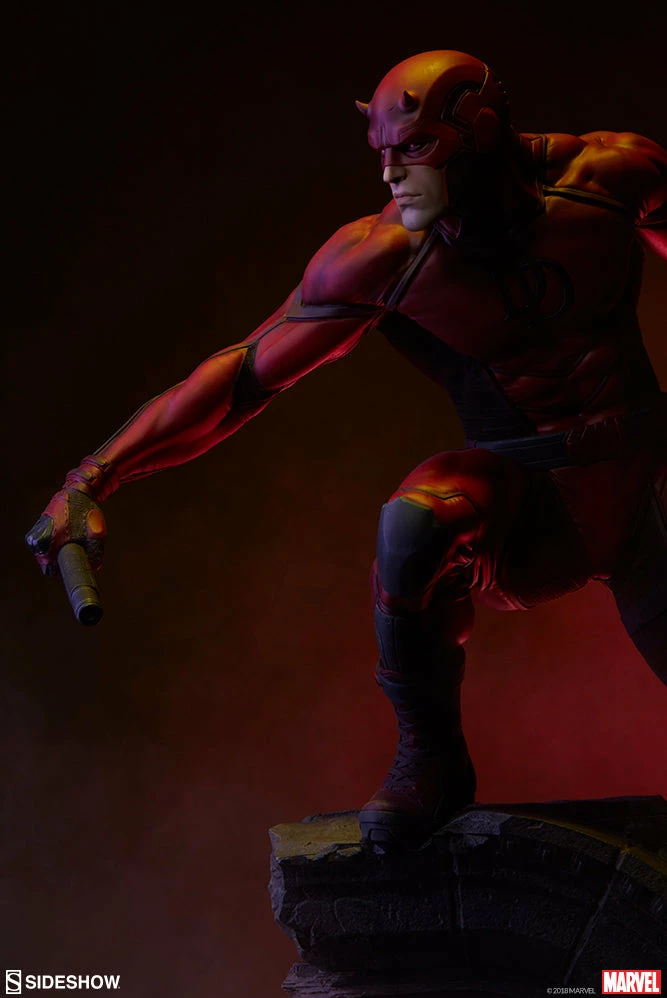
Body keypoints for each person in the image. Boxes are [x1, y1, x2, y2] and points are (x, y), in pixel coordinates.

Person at [26, 50, 667, 847]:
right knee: (415, 522)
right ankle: (430, 758)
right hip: (530, 512)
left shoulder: (609, 175)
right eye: (383, 153)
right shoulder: (384, 256)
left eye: (415, 148)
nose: (392, 174)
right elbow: (242, 376)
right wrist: (92, 478)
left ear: (480, 131)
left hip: (649, 485)